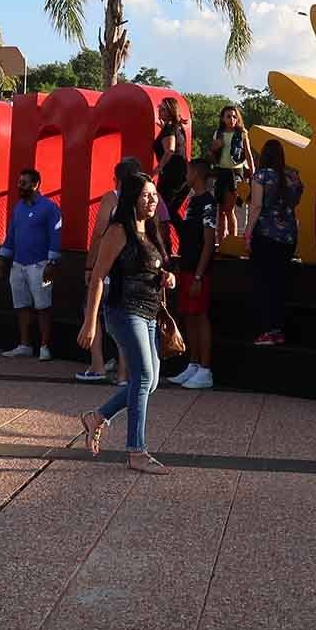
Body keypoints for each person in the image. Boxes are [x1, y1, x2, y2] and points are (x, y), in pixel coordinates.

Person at [78, 172, 176, 475]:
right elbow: (97, 277)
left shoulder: (150, 230)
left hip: (148, 312)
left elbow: (150, 266)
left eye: (155, 195)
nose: (152, 200)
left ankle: (97, 417)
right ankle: (136, 451)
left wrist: (165, 278)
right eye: (146, 195)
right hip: (123, 311)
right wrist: (90, 322)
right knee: (144, 376)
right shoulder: (118, 231)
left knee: (151, 380)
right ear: (133, 197)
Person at [77, 156, 142, 384]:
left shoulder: (111, 198)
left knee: (91, 312)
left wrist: (90, 263)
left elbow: (98, 232)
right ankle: (124, 375)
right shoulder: (144, 200)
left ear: (118, 179)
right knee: (126, 322)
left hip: (108, 267)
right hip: (132, 272)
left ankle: (97, 366)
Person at [0, 168, 62, 360]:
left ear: (35, 184)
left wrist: (52, 263)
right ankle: (24, 345)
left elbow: (55, 236)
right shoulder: (18, 208)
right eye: (19, 182)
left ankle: (44, 347)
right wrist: (2, 259)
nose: (19, 186)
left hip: (40, 265)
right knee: (22, 304)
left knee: (43, 306)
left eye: (23, 183)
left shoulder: (49, 208)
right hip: (18, 264)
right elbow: (11, 235)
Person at [245, 138, 304, 346]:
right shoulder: (293, 177)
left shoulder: (261, 176)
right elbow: (295, 201)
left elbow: (256, 206)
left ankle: (267, 329)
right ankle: (278, 330)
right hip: (288, 236)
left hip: (265, 234)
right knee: (280, 284)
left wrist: (248, 233)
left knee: (264, 284)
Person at [168, 158, 217, 389]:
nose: (185, 174)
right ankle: (193, 364)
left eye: (188, 171)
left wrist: (199, 275)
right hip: (186, 266)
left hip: (199, 271)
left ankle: (206, 370)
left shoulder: (208, 202)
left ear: (196, 173)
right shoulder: (191, 200)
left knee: (200, 316)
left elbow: (208, 241)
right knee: (188, 315)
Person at [209, 105, 253, 245]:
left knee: (229, 209)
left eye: (234, 116)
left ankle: (232, 243)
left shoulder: (242, 133)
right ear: (223, 118)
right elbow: (212, 153)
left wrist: (253, 173)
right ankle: (222, 243)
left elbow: (248, 154)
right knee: (220, 211)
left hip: (236, 173)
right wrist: (215, 147)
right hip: (221, 171)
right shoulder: (218, 133)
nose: (232, 119)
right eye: (228, 116)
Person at [153, 96, 190, 220]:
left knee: (163, 211)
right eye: (159, 108)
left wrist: (158, 167)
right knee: (169, 211)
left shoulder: (170, 128)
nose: (159, 111)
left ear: (170, 111)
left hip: (172, 176)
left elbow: (170, 150)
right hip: (182, 175)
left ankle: (168, 238)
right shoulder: (177, 127)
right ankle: (183, 235)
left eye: (163, 109)